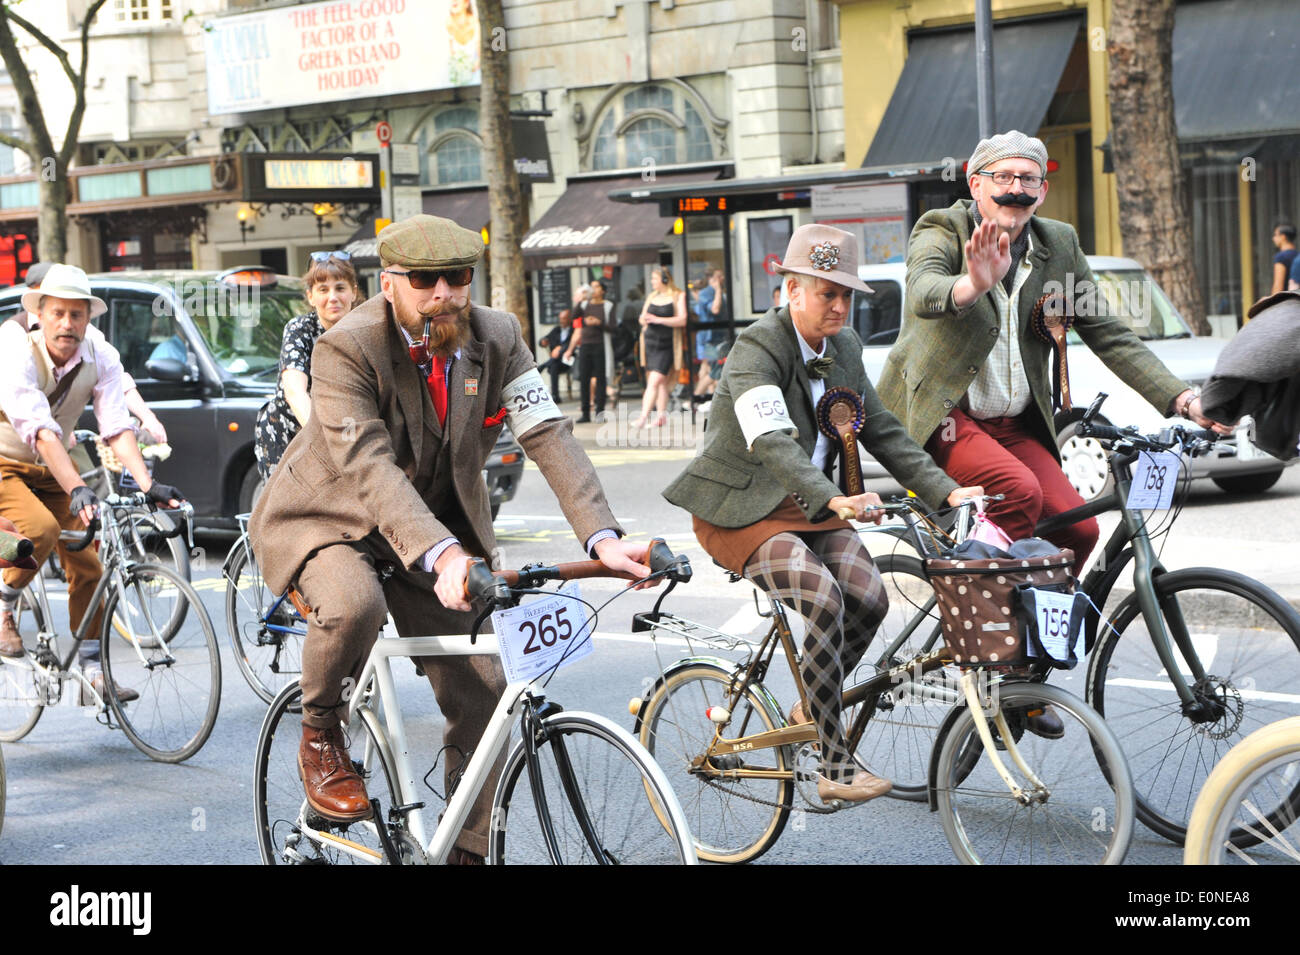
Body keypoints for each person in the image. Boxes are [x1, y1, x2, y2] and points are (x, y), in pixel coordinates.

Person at [248, 215, 654, 864]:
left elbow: (546, 431)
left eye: (457, 276)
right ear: (388, 284)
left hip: (428, 528)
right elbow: (370, 467)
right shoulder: (348, 346)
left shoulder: (498, 335)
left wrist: (603, 537)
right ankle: (321, 732)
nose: (444, 292)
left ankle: (464, 849)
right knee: (354, 603)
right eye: (424, 279)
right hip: (324, 515)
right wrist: (442, 554)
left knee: (489, 692)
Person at [663, 225, 983, 804]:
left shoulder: (846, 348)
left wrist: (947, 491)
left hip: (809, 504)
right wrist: (833, 496)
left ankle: (812, 698)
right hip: (741, 506)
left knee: (870, 597)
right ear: (790, 290)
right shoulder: (757, 347)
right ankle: (833, 767)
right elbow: (772, 439)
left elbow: (881, 427)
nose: (839, 306)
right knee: (823, 597)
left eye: (846, 295)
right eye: (825, 293)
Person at [877, 130, 1226, 579]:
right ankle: (994, 626)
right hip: (945, 418)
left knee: (1078, 530)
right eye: (1002, 175)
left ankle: (1046, 634)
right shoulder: (941, 228)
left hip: (1015, 425)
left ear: (1043, 191)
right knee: (1019, 492)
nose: (1015, 188)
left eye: (1028, 178)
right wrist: (973, 284)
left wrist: (1184, 402)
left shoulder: (1059, 243)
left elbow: (1110, 334)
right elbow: (924, 292)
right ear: (975, 183)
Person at [0, 264, 184, 701]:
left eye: (77, 315)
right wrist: (77, 487)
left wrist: (146, 484)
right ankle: (4, 605)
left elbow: (116, 424)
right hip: (5, 460)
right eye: (58, 313)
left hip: (50, 466)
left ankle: (91, 674)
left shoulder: (99, 352)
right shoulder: (14, 348)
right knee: (40, 531)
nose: (68, 324)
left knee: (89, 562)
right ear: (39, 314)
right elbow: (40, 429)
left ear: (88, 318)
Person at [22, 261, 167, 445]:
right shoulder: (15, 336)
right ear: (38, 296)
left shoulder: (88, 336)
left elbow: (115, 376)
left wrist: (148, 417)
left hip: (62, 435)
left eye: (76, 313)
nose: (67, 324)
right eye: (57, 307)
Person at [253, 251, 360, 478]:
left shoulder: (365, 330)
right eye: (323, 290)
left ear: (354, 292)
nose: (333, 297)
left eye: (340, 288)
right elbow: (294, 392)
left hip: (346, 432)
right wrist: (325, 440)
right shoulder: (300, 329)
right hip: (291, 432)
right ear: (310, 296)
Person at [633, 267, 687, 429]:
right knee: (661, 382)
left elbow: (682, 320)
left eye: (655, 279)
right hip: (650, 343)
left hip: (667, 344)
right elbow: (642, 318)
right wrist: (645, 319)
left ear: (665, 279)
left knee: (654, 381)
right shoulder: (652, 296)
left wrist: (658, 320)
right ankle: (661, 416)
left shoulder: (678, 295)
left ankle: (643, 417)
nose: (652, 282)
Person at [574, 278, 614, 423]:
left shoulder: (608, 306)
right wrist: (581, 299)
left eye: (596, 287)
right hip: (585, 345)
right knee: (584, 379)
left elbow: (613, 327)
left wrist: (599, 323)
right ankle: (585, 413)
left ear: (603, 290)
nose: (593, 290)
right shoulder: (585, 305)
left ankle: (600, 413)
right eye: (591, 287)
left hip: (600, 345)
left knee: (601, 379)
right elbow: (574, 316)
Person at [692, 269, 727, 401]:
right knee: (714, 371)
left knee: (710, 368)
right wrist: (718, 289)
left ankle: (706, 397)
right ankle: (696, 398)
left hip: (720, 337)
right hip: (711, 339)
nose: (723, 278)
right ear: (713, 278)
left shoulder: (718, 292)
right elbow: (715, 309)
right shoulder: (707, 293)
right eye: (720, 276)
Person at [536, 307, 577, 401]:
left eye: (564, 319)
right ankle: (555, 396)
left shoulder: (574, 330)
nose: (561, 321)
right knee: (554, 366)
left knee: (556, 359)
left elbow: (571, 344)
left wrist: (560, 349)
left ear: (569, 319)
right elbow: (544, 340)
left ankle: (543, 366)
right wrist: (543, 341)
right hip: (557, 362)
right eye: (560, 319)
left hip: (569, 361)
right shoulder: (557, 330)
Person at [1270, 224, 1297, 295]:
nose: (1273, 238)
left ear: (1283, 237)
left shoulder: (1281, 257)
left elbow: (1278, 286)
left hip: (1286, 301)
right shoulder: (1297, 255)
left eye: (1275, 235)